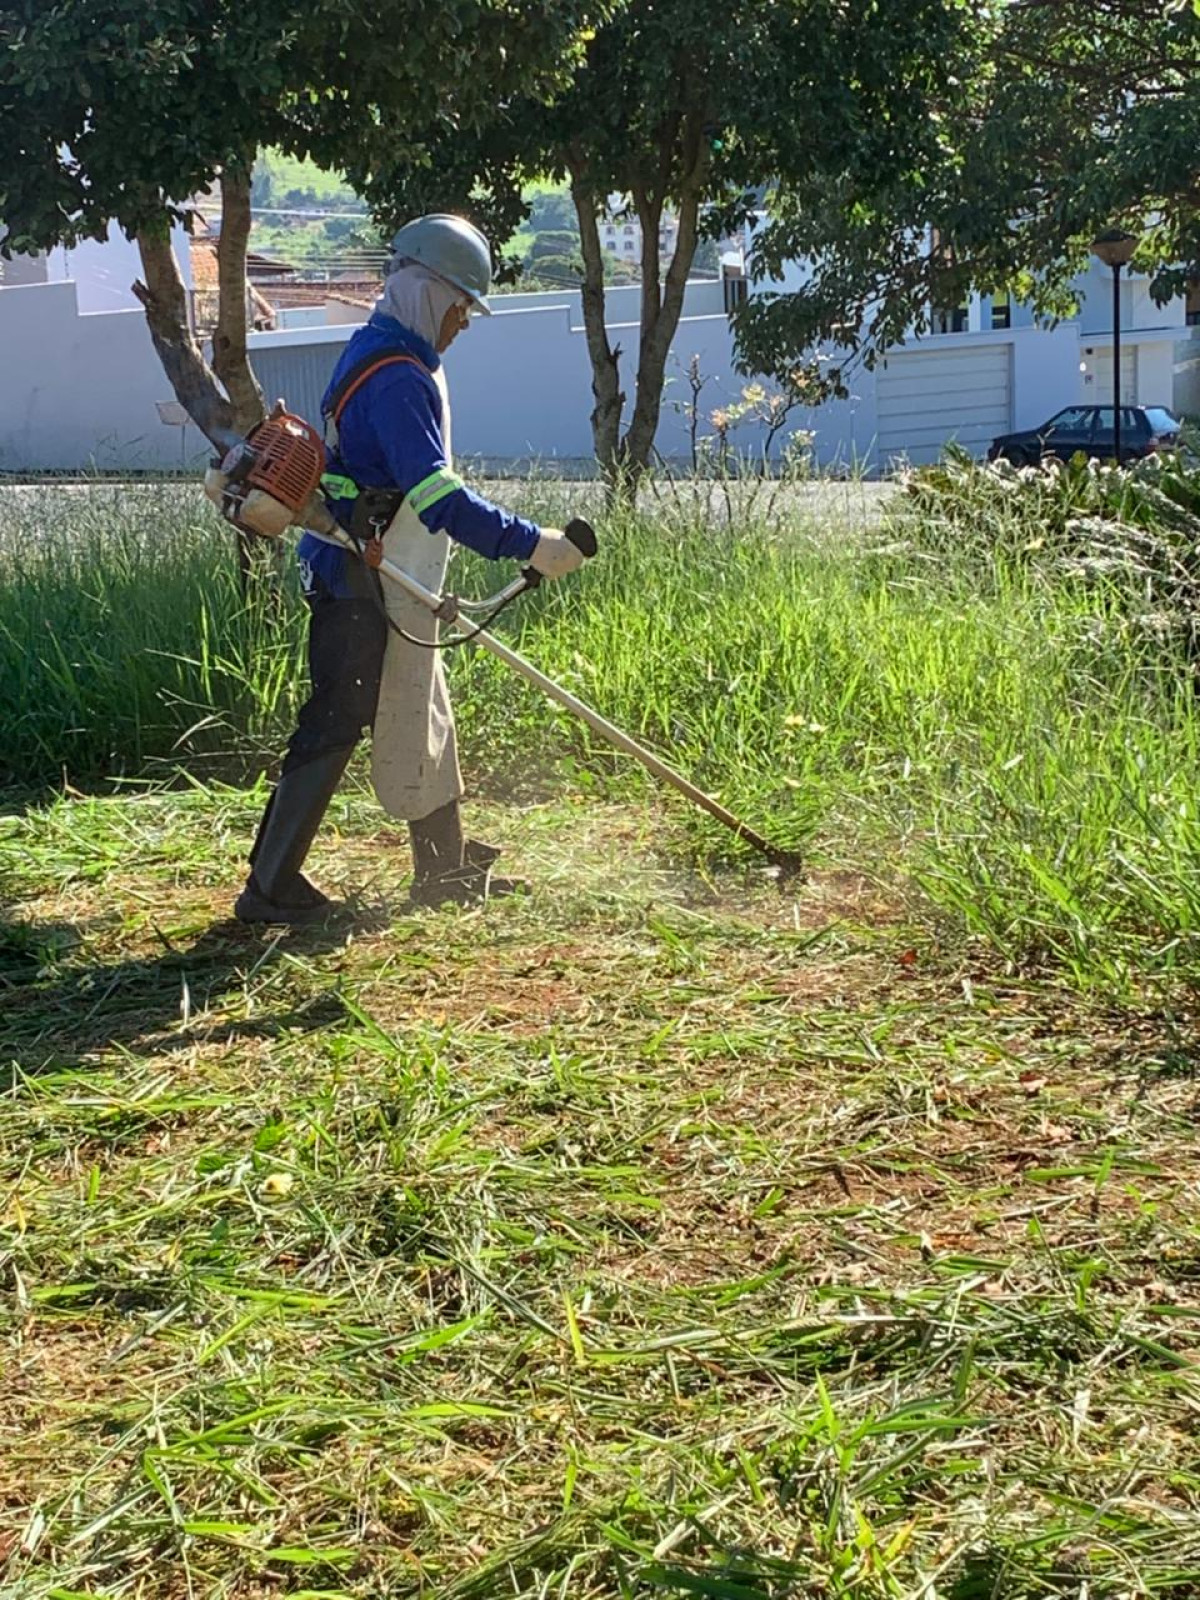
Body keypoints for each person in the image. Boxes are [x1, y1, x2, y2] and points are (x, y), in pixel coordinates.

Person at [235, 213, 585, 925]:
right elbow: (436, 495)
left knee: (421, 703)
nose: (462, 324)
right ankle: (269, 888)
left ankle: (443, 865)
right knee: (338, 718)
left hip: (380, 568)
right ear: (430, 293)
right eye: (460, 308)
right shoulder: (397, 377)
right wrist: (530, 544)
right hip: (359, 578)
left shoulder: (383, 349)